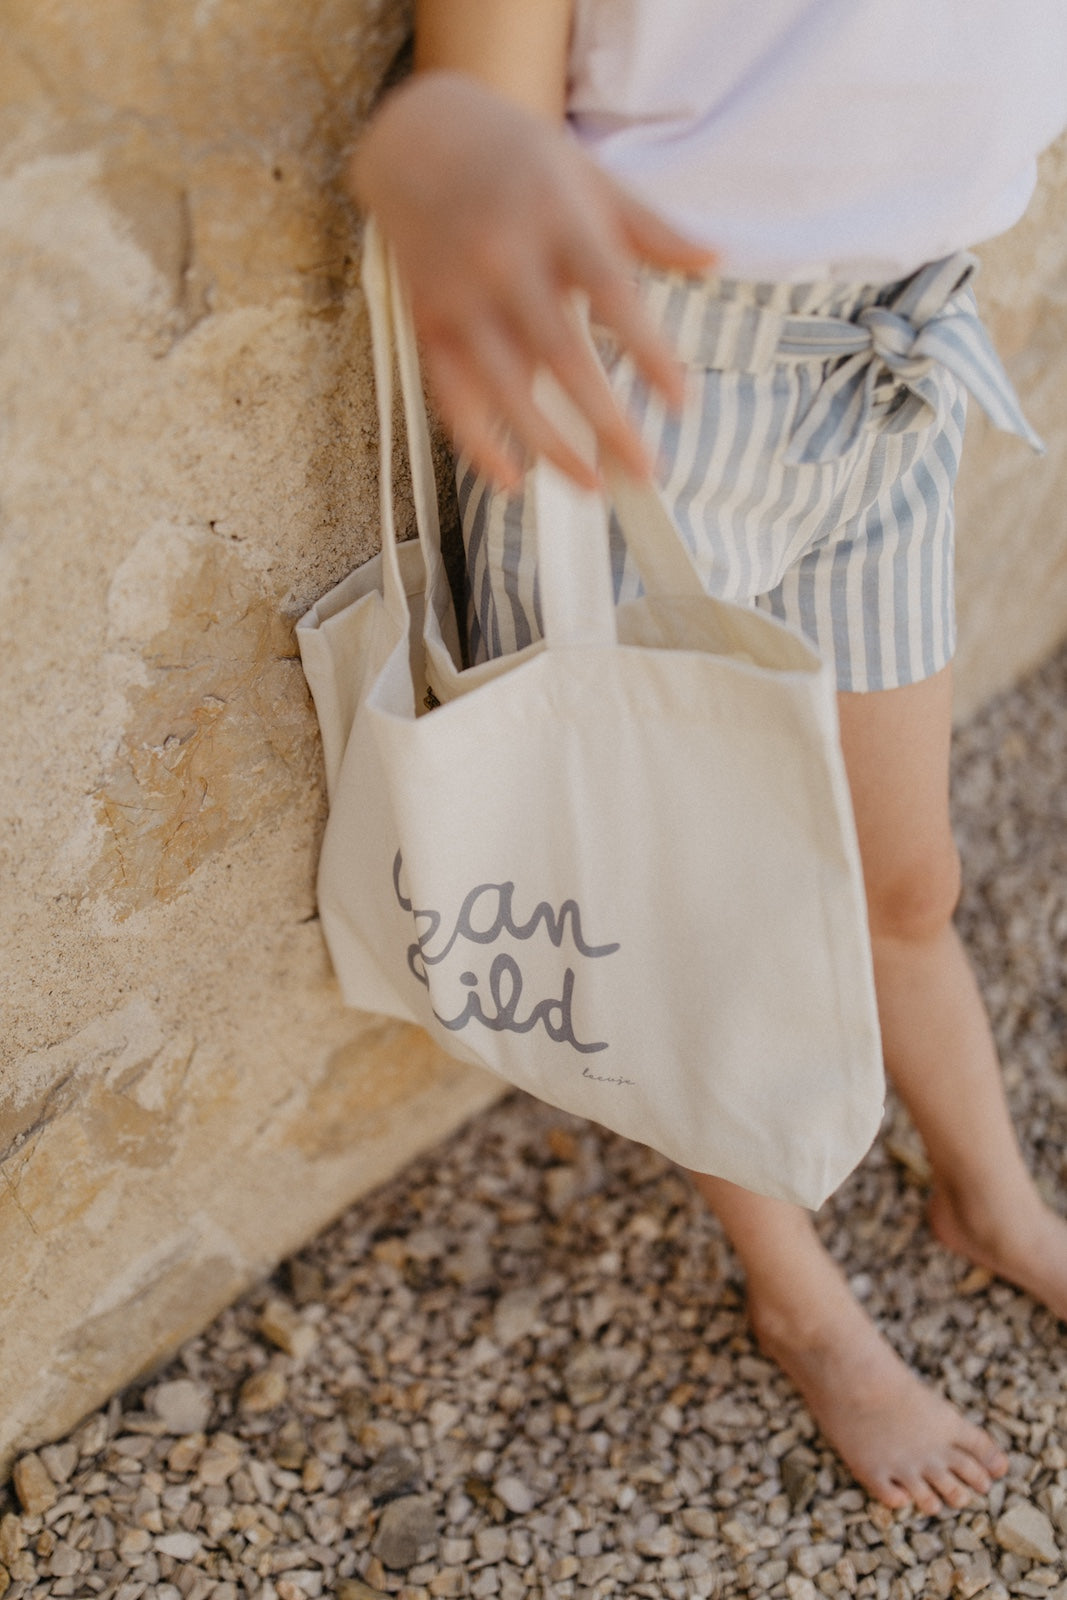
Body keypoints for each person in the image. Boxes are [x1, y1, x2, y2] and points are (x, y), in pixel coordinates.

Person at [350, 1, 1067, 1515]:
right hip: (649, 389)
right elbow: (472, 103)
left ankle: (989, 1198)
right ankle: (798, 1297)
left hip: (895, 361)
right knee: (702, 923)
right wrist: (445, 138)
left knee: (908, 877)